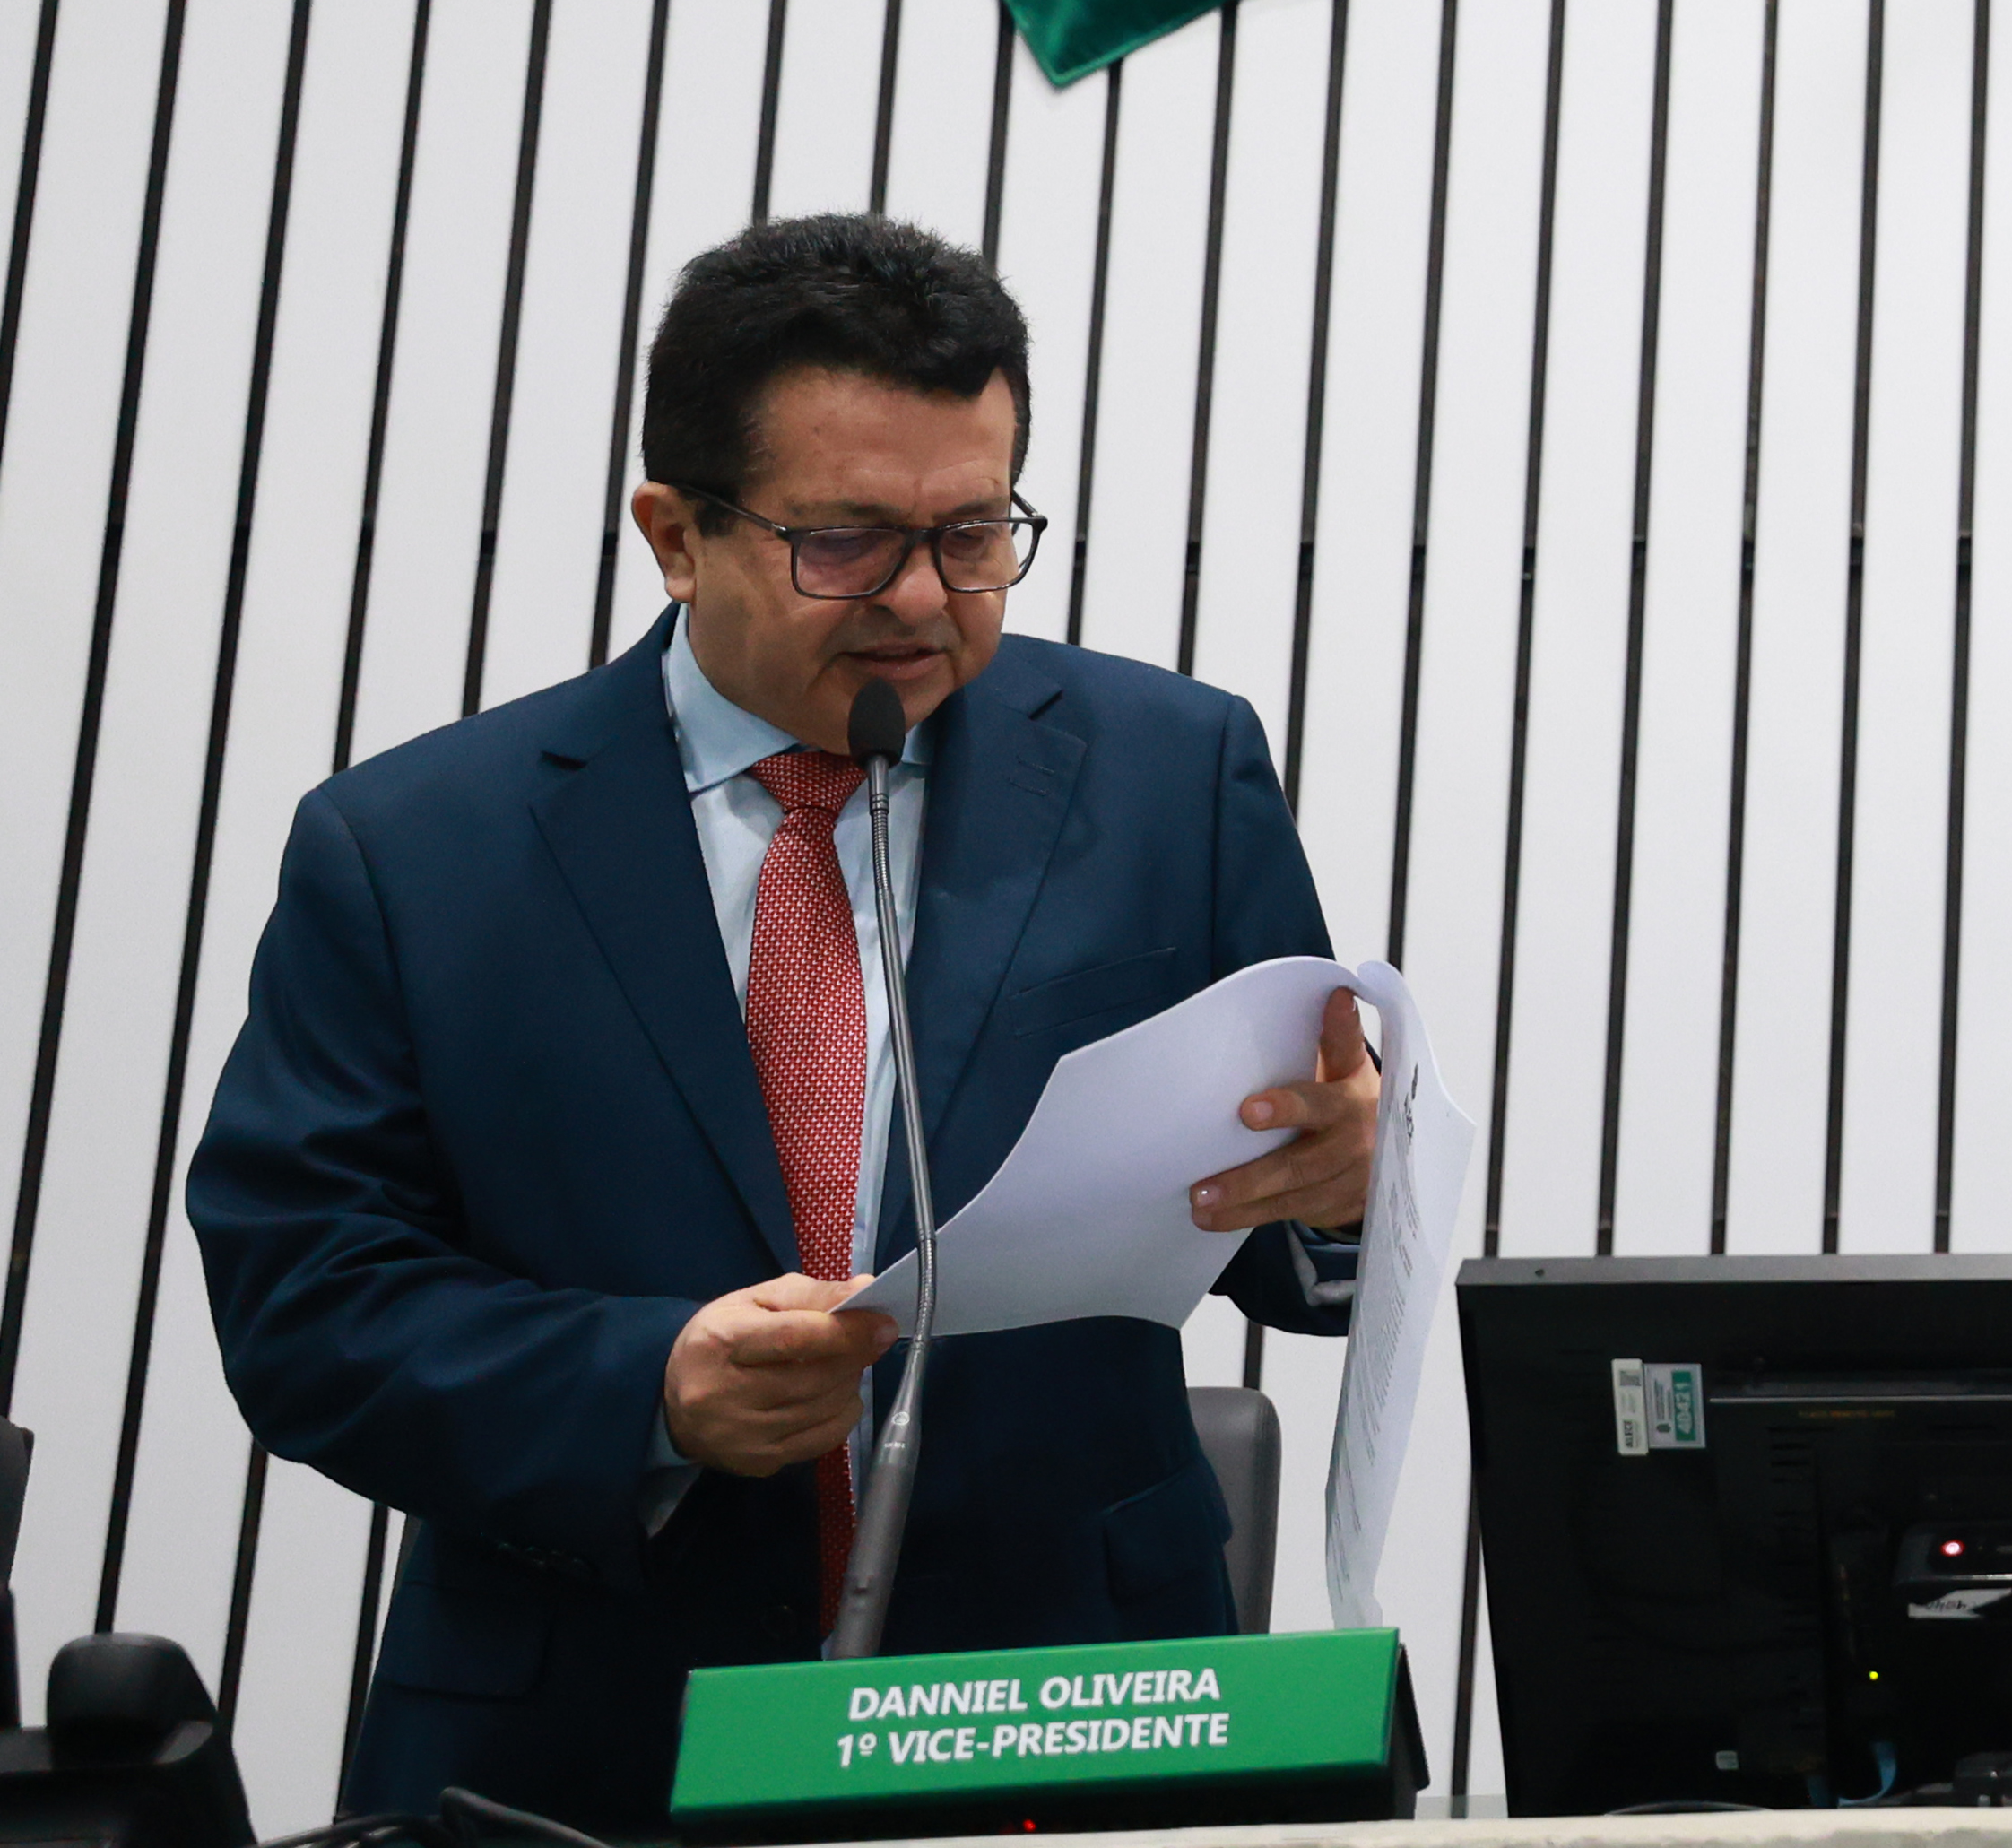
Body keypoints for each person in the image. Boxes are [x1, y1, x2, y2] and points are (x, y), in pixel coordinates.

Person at [188, 216, 1384, 1826]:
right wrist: (648, 1385)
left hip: (1068, 1721)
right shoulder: (414, 850)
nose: (921, 601)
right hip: (590, 1738)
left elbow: (1297, 1251)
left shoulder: (1172, 774)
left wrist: (1344, 1188)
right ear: (673, 534)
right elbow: (306, 1302)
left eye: (975, 535)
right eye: (845, 542)